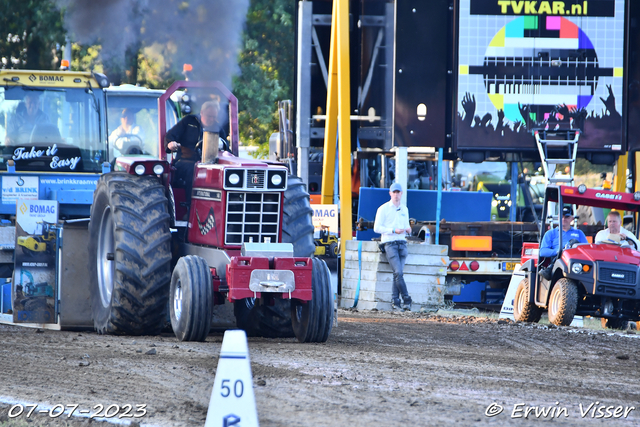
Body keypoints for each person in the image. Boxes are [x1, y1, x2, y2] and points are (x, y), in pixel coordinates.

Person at [165, 100, 227, 202]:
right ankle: (191, 209)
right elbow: (170, 135)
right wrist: (170, 143)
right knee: (194, 172)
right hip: (185, 161)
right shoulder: (188, 121)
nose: (211, 119)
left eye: (214, 117)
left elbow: (226, 147)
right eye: (209, 116)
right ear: (201, 113)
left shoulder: (218, 128)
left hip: (210, 164)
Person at [373, 182, 412, 310]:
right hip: (390, 243)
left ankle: (395, 301)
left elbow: (406, 226)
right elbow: (376, 228)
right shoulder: (383, 209)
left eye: (398, 192)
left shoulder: (404, 209)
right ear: (390, 193)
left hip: (402, 243)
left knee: (397, 274)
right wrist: (393, 230)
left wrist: (408, 229)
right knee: (398, 272)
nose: (396, 195)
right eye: (394, 192)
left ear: (401, 194)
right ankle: (407, 298)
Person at [539, 206, 588, 279]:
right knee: (565, 248)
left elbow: (586, 250)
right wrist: (558, 251)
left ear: (572, 218)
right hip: (559, 263)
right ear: (558, 217)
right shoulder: (550, 233)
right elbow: (542, 251)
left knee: (573, 242)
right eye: (561, 216)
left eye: (567, 217)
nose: (563, 219)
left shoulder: (579, 233)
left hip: (576, 263)